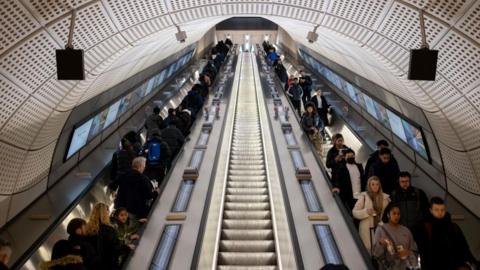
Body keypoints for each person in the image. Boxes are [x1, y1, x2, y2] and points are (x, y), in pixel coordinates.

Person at [413, 197, 478, 270]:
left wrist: (472, 262)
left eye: (442, 210)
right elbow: (423, 251)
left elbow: (464, 247)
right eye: (436, 210)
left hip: (453, 265)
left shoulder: (453, 227)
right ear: (431, 210)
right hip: (433, 266)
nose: (440, 212)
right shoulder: (424, 227)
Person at [85, 203, 133, 270]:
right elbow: (115, 248)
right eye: (107, 212)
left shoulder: (88, 230)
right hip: (109, 265)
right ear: (105, 214)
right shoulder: (108, 229)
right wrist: (127, 247)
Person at [373, 203, 418, 270]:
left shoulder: (406, 230)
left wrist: (408, 252)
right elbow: (376, 254)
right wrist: (381, 244)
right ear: (388, 215)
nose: (397, 216)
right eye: (394, 213)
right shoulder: (381, 229)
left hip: (405, 266)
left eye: (398, 214)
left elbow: (414, 250)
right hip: (389, 267)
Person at [352, 176, 390, 254]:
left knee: (380, 250)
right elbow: (354, 212)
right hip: (366, 227)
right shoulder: (364, 196)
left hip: (380, 227)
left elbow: (386, 214)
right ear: (369, 185)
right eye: (373, 184)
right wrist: (366, 212)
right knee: (367, 250)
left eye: (377, 184)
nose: (375, 186)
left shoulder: (385, 198)